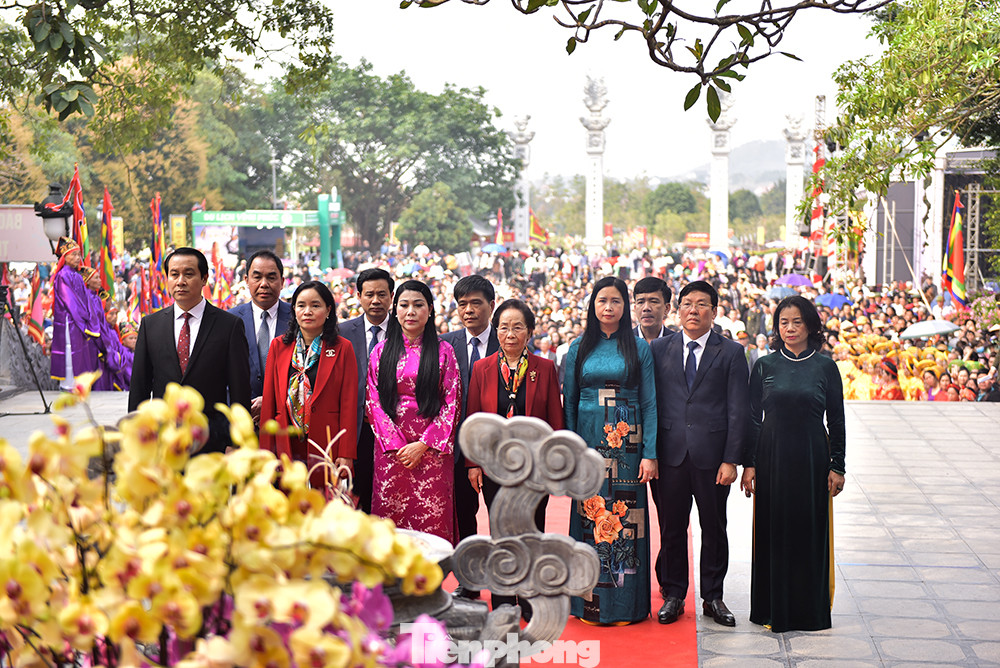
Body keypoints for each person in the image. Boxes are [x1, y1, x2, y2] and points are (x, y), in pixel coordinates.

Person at [741, 295, 846, 633]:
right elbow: (752, 418)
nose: (789, 328)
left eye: (797, 322)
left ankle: (808, 612)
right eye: (783, 322)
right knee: (773, 530)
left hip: (813, 458)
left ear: (811, 326)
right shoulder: (764, 366)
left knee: (808, 531)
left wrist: (838, 465)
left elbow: (837, 421)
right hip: (771, 457)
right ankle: (771, 608)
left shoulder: (826, 367)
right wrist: (750, 463)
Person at [650, 280, 749, 627]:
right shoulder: (659, 349)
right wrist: (651, 452)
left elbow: (739, 409)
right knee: (672, 527)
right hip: (670, 455)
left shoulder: (732, 352)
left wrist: (731, 459)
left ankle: (713, 597)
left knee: (714, 526)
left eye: (702, 304)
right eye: (687, 304)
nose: (694, 310)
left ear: (714, 311)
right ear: (677, 311)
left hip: (712, 459)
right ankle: (674, 594)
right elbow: (652, 405)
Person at [564, 276, 657, 625]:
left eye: (616, 301)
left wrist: (650, 453)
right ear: (593, 305)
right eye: (602, 300)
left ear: (625, 307)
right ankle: (588, 605)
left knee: (626, 524)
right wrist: (571, 451)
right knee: (589, 521)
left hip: (627, 448)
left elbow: (649, 402)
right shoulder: (578, 347)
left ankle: (626, 607)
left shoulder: (639, 347)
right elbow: (570, 402)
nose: (608, 307)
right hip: (587, 445)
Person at [466, 299, 564, 616]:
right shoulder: (481, 369)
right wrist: (473, 463)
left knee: (532, 532)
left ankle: (531, 600)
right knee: (500, 533)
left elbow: (555, 421)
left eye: (518, 326)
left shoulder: (545, 368)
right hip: (495, 467)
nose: (510, 333)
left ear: (530, 332)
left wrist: (554, 464)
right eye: (504, 326)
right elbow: (473, 421)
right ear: (496, 331)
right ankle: (504, 600)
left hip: (535, 469)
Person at [128, 247, 251, 454]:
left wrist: (236, 440)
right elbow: (140, 386)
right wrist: (137, 434)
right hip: (163, 440)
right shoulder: (151, 325)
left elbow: (239, 389)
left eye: (189, 274)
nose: (180, 281)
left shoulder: (229, 326)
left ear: (204, 279)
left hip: (212, 442)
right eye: (174, 274)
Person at [366, 280, 461, 544]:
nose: (411, 312)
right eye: (404, 305)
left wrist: (422, 445)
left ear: (429, 310)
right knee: (390, 527)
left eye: (418, 305)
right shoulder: (380, 351)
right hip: (391, 455)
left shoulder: (445, 352)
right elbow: (372, 402)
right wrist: (398, 445)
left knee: (431, 527)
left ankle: (432, 582)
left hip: (431, 456)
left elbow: (452, 403)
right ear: (394, 309)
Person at [260, 281, 357, 496]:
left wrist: (347, 453)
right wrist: (266, 451)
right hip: (286, 441)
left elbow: (349, 403)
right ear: (293, 310)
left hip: (326, 442)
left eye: (315, 305)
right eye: (301, 305)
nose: (308, 312)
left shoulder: (342, 348)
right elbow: (269, 402)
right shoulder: (279, 346)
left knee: (323, 507)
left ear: (328, 310)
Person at [440, 275, 498, 595]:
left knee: (501, 519)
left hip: (496, 452)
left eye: (476, 303)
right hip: (456, 449)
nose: (469, 310)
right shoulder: (445, 344)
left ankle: (507, 582)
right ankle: (470, 581)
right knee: (465, 519)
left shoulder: (506, 340)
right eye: (462, 304)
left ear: (491, 305)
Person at [339, 268, 394, 513]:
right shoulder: (342, 333)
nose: (375, 300)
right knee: (355, 500)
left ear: (391, 296)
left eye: (382, 294)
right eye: (369, 294)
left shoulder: (405, 330)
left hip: (394, 432)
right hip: (355, 430)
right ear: (358, 295)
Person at [229, 250, 293, 425]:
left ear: (282, 282)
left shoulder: (299, 318)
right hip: (242, 423)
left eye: (271, 277)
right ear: (246, 281)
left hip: (287, 423)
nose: (264, 284)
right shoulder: (229, 320)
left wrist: (272, 401)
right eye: (257, 277)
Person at [50, 237, 100, 390]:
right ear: (65, 257)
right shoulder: (62, 275)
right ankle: (67, 385)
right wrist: (84, 318)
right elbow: (70, 301)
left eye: (79, 254)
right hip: (69, 320)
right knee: (69, 348)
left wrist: (89, 317)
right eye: (74, 255)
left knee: (78, 350)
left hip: (78, 319)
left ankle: (77, 384)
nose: (78, 258)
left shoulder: (77, 275)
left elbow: (85, 300)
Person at [632, 276, 672, 343]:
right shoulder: (622, 342)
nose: (646, 308)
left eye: (653, 302)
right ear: (635, 308)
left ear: (667, 308)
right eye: (641, 302)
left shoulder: (678, 343)